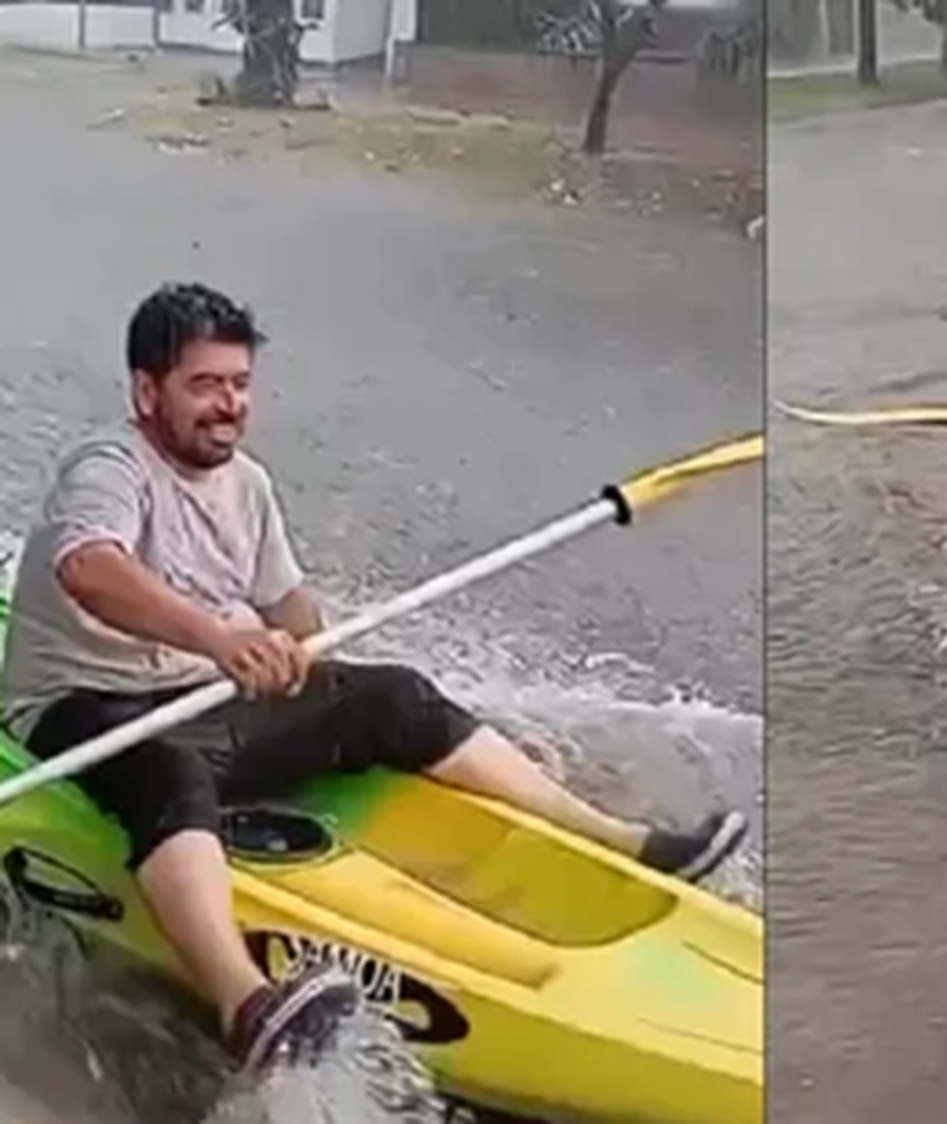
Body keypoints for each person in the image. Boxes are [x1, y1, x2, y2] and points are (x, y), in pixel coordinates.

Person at [0, 282, 748, 1069]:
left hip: (200, 696)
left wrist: (307, 667)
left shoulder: (247, 484)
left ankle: (620, 841)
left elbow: (290, 608)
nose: (228, 405)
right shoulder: (108, 467)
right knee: (169, 771)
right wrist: (220, 639)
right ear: (147, 391)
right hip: (83, 708)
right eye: (204, 385)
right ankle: (244, 1003)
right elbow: (90, 569)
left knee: (390, 695)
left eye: (240, 384)